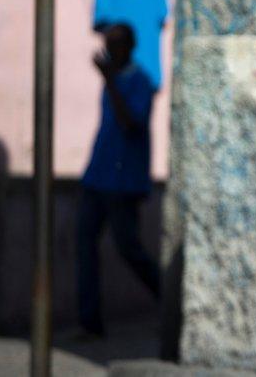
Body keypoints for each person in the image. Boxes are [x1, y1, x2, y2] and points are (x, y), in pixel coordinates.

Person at [78, 23, 160, 337]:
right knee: (85, 245)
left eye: (116, 44)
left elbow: (130, 124)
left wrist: (111, 80)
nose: (110, 50)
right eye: (107, 43)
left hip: (124, 182)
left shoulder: (140, 81)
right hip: (97, 177)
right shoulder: (112, 81)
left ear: (129, 46)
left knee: (128, 248)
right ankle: (90, 323)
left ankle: (169, 302)